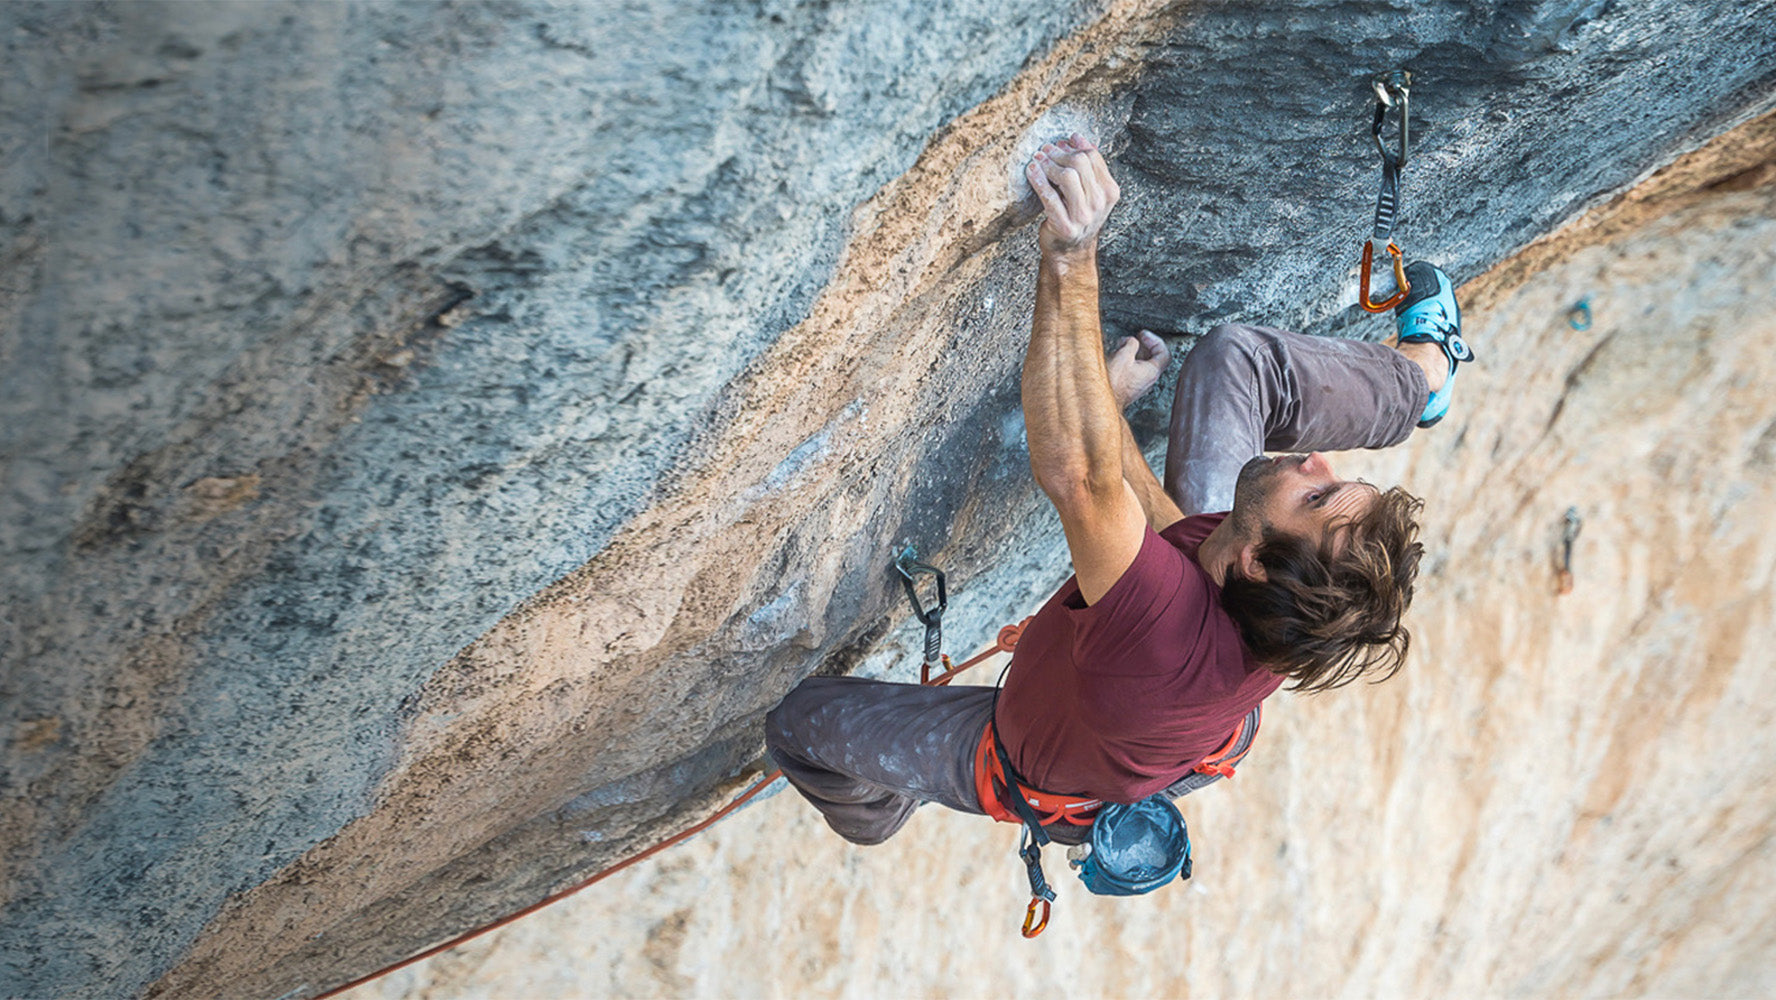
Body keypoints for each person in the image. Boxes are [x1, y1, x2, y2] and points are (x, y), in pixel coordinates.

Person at [765, 133, 1470, 848]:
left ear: (1257, 561)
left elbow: (1078, 475)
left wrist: (1071, 253)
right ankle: (1425, 378)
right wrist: (1100, 407)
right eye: (1336, 481)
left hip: (1038, 762)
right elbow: (1163, 540)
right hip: (1187, 708)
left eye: (1314, 497)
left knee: (797, 723)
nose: (1314, 461)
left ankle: (881, 805)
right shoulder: (1268, 589)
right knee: (1237, 362)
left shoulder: (1165, 631)